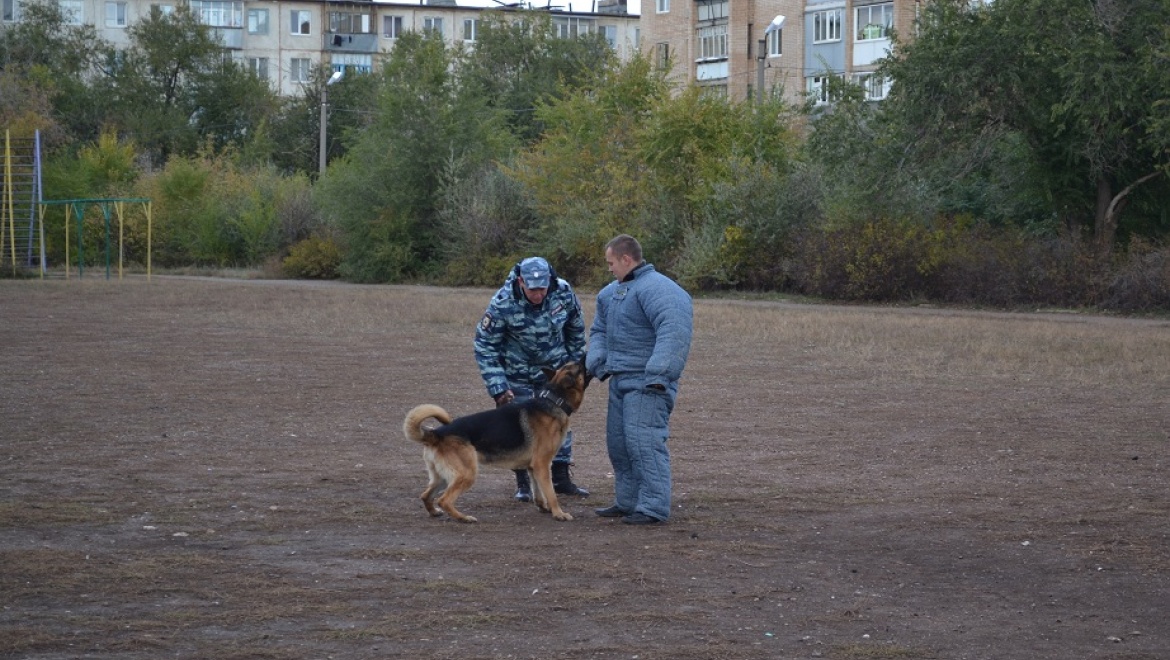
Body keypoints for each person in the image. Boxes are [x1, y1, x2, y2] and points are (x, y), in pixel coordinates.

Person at [586, 234, 693, 525]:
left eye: (611, 263)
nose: (609, 269)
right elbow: (599, 331)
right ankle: (629, 501)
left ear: (626, 259)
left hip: (647, 383)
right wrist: (597, 361)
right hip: (619, 379)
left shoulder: (660, 289)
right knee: (619, 445)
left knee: (643, 443)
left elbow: (674, 329)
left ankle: (653, 507)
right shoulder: (609, 293)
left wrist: (660, 373)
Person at [474, 256, 590, 502]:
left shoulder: (564, 292)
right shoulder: (502, 302)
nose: (538, 294)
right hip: (517, 374)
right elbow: (485, 346)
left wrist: (572, 366)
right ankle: (523, 484)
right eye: (532, 289)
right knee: (519, 428)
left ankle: (561, 479)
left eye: (542, 288)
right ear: (520, 282)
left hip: (555, 375)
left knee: (558, 426)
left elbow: (576, 329)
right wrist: (498, 387)